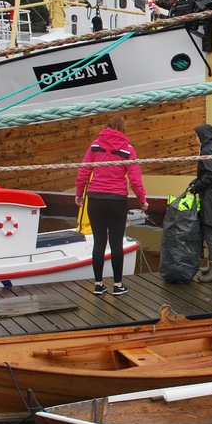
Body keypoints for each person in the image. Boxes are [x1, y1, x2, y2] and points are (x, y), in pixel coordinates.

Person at [74, 116, 148, 296]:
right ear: (123, 130)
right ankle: (117, 285)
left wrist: (78, 193)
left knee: (99, 242)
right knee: (116, 243)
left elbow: (84, 171)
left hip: (95, 199)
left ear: (107, 127)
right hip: (116, 200)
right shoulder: (128, 149)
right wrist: (142, 200)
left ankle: (98, 285)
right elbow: (135, 180)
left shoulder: (95, 146)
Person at [188, 123, 212, 282]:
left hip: (210, 197)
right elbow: (210, 173)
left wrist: (196, 188)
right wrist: (196, 181)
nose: (195, 138)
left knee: (209, 231)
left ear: (203, 136)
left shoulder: (207, 151)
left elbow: (210, 174)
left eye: (197, 136)